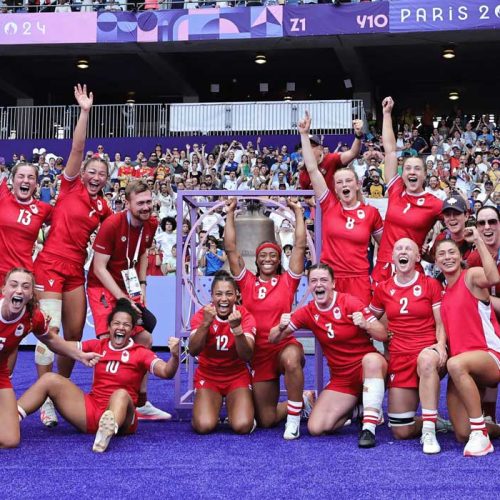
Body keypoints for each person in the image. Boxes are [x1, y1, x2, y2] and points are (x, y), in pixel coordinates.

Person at [34, 85, 111, 427]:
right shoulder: (70, 185)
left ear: (107, 181)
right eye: (91, 172)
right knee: (48, 334)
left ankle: (58, 389)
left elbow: (116, 237)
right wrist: (84, 112)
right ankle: (45, 398)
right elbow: (78, 146)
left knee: (74, 336)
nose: (95, 177)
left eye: (102, 175)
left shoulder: (103, 206)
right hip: (49, 264)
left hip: (74, 272)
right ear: (83, 174)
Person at [17, 299, 179, 453]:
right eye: (116, 323)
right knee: (49, 379)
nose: (120, 327)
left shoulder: (141, 353)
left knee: (121, 394)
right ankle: (10, 418)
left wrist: (175, 357)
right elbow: (63, 347)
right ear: (108, 327)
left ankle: (107, 430)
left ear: (131, 330)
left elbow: (166, 372)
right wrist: (43, 330)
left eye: (126, 325)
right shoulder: (97, 345)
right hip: (93, 410)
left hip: (124, 419)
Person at [269, 264, 387, 447]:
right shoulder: (308, 311)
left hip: (367, 370)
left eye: (323, 280)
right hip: (342, 379)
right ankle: (358, 409)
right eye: (313, 281)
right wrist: (280, 326)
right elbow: (273, 339)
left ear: (333, 284)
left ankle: (369, 429)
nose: (318, 285)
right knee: (316, 428)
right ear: (309, 286)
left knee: (372, 360)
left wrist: (366, 324)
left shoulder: (350, 302)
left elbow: (383, 334)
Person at [225, 197, 309, 440]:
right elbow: (231, 249)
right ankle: (302, 401)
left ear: (279, 258)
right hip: (259, 352)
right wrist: (230, 213)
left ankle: (293, 421)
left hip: (282, 346)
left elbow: (301, 246)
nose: (269, 259)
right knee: (266, 420)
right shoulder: (247, 281)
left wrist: (298, 213)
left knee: (292, 359)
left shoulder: (287, 281)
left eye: (273, 255)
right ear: (257, 259)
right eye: (264, 255)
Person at [87, 180, 168, 421]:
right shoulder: (112, 224)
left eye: (148, 202)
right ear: (127, 203)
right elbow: (99, 268)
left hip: (126, 285)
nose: (146, 207)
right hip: (101, 286)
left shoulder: (150, 223)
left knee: (144, 338)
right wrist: (123, 298)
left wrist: (142, 286)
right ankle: (101, 402)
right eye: (140, 203)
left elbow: (143, 251)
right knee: (106, 342)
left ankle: (140, 403)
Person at [0, 268, 101, 448]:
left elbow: (52, 341)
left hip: (1, 374)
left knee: (10, 440)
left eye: (25, 286)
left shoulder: (33, 317)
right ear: (4, 290)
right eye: (13, 285)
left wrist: (80, 355)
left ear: (32, 294)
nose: (19, 290)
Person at [370, 238, 447, 454]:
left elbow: (441, 322)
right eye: (399, 249)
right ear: (393, 257)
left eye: (408, 249)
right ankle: (430, 421)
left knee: (426, 360)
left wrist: (440, 346)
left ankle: (429, 431)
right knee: (400, 431)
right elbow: (371, 319)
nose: (403, 252)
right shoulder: (383, 289)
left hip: (427, 351)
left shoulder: (430, 284)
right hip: (399, 357)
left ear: (417, 257)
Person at [298, 111, 383, 305]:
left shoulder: (371, 213)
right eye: (340, 182)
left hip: (359, 279)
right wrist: (304, 134)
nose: (344, 185)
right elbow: (312, 170)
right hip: (332, 279)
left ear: (358, 184)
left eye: (348, 181)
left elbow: (385, 244)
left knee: (360, 328)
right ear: (334, 188)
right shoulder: (329, 205)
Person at [436, 232, 500, 456]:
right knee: (462, 432)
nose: (447, 257)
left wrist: (479, 241)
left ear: (460, 256)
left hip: (489, 355)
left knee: (455, 364)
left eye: (451, 252)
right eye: (441, 254)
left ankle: (481, 435)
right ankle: (489, 429)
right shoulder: (444, 295)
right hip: (463, 365)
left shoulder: (471, 276)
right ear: (436, 261)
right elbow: (442, 327)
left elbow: (493, 278)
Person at [372, 97, 442, 284]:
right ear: (403, 174)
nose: (412, 171)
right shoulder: (395, 190)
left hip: (412, 270)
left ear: (425, 175)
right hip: (384, 267)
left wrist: (437, 246)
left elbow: (456, 223)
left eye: (417, 168)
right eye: (408, 168)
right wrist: (387, 114)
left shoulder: (434, 203)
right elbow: (390, 151)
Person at [0, 162, 53, 374]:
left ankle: (4, 386)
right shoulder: (2, 194)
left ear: (36, 183)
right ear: (12, 180)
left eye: (31, 177)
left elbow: (65, 225)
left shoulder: (43, 209)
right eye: (21, 176)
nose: (25, 180)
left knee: (12, 336)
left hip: (20, 280)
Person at [189, 271, 256, 434]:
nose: (224, 299)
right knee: (204, 426)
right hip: (208, 375)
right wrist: (206, 324)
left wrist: (237, 330)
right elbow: (193, 350)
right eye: (218, 294)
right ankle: (207, 408)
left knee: (242, 426)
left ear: (236, 295)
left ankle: (239, 410)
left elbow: (247, 355)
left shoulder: (244, 315)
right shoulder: (202, 315)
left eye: (229, 294)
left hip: (236, 375)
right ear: (212, 296)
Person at [298, 120, 365, 190]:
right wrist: (311, 200)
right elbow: (306, 197)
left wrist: (358, 136)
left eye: (311, 146)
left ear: (320, 149)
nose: (307, 150)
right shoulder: (303, 174)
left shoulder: (331, 159)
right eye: (305, 147)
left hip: (333, 200)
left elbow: (353, 153)